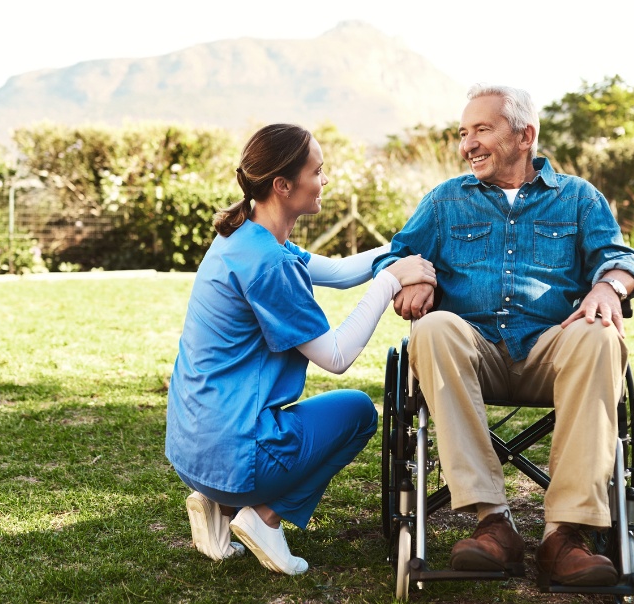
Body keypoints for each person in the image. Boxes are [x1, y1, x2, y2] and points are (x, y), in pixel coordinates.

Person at [372, 84, 634, 587]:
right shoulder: (445, 201)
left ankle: (566, 536)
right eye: (462, 133)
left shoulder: (578, 198)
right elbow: (394, 256)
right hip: (471, 350)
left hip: (551, 350)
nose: (467, 145)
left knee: (600, 335)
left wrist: (609, 287)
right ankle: (493, 524)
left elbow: (621, 257)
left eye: (481, 130)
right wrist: (411, 276)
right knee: (432, 328)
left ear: (526, 135)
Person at [166, 123, 437, 575]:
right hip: (236, 455)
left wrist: (403, 251)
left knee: (295, 417)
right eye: (318, 170)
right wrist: (392, 280)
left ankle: (214, 502)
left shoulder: (245, 236)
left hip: (193, 448)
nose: (324, 181)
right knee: (357, 413)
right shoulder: (269, 264)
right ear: (282, 185)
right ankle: (263, 517)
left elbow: (341, 270)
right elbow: (336, 357)